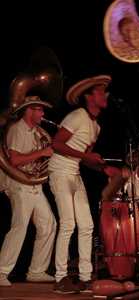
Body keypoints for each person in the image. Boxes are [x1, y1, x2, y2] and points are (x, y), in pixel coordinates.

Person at [48, 74, 117, 294]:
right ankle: (60, 277)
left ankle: (86, 277)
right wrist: (86, 157)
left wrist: (104, 168)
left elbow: (85, 157)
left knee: (86, 224)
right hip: (59, 170)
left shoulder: (96, 126)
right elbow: (56, 144)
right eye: (99, 91)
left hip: (74, 172)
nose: (104, 95)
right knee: (68, 223)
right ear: (88, 96)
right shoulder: (77, 116)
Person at [0, 95, 57, 287]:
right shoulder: (17, 130)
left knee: (48, 224)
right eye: (39, 110)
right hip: (18, 183)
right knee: (19, 227)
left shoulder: (37, 132)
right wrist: (42, 153)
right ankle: (1, 271)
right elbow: (14, 161)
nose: (43, 113)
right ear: (29, 110)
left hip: (33, 184)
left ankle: (37, 271)